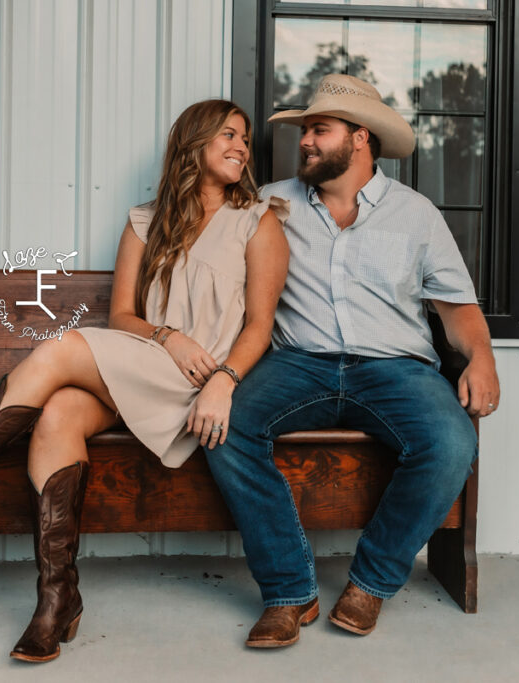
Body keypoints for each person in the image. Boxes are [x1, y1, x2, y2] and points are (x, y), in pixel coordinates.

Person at [0, 99, 289, 663]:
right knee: (56, 412)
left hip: (202, 382)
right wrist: (168, 336)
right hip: (150, 360)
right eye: (229, 134)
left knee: (58, 350)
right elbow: (124, 319)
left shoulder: (260, 221)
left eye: (246, 139)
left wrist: (223, 380)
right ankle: (57, 599)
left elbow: (259, 326)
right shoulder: (144, 221)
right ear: (194, 142)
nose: (242, 147)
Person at [203, 74, 500, 648]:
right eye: (305, 131)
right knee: (227, 425)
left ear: (360, 138)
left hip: (396, 369)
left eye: (319, 129)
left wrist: (481, 356)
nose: (305, 141)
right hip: (299, 362)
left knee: (452, 443)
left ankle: (371, 582)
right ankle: (290, 592)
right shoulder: (270, 205)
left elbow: (456, 309)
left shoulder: (416, 215)